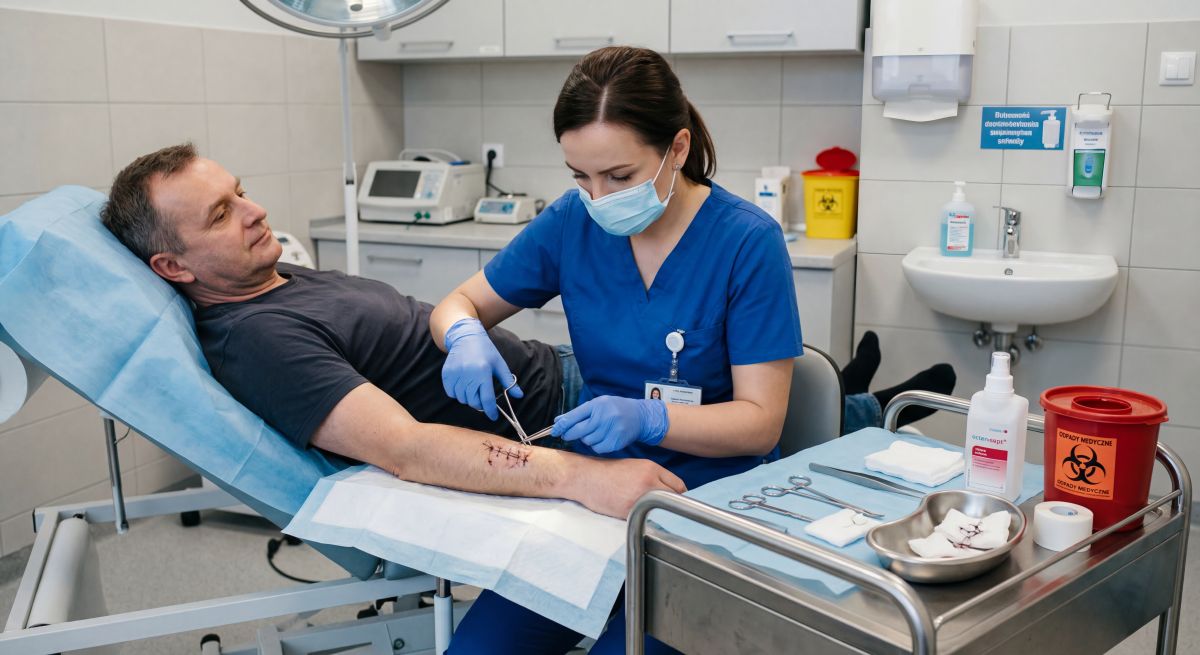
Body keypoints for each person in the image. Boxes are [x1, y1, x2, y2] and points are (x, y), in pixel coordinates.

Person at [430, 45, 801, 655]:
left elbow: (761, 425)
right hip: (591, 497)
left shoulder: (746, 242)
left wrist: (651, 417)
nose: (598, 197)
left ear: (676, 149)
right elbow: (456, 304)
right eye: (580, 176)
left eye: (619, 177)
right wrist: (464, 336)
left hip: (702, 510)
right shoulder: (572, 222)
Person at [99, 143, 685, 520]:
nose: (255, 212)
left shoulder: (272, 278)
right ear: (173, 267)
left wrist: (462, 331)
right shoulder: (259, 340)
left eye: (241, 193)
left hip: (573, 376)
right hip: (572, 418)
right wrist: (583, 478)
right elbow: (405, 448)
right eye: (221, 215)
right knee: (754, 427)